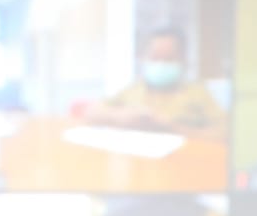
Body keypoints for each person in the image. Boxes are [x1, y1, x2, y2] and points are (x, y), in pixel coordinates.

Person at [82, 26, 226, 140]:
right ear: (145, 58)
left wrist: (171, 127)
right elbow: (91, 112)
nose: (161, 64)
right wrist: (120, 115)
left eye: (169, 59)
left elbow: (225, 134)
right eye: (155, 58)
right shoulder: (135, 89)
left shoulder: (197, 92)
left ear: (183, 60)